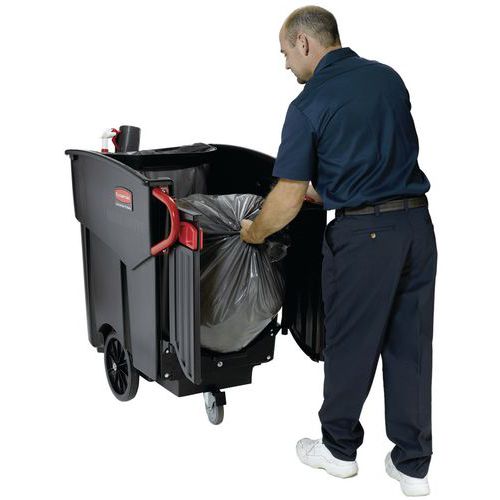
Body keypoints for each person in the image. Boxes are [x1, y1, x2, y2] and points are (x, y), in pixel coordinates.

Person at [240, 5, 437, 497]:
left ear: (304, 42)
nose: (286, 65)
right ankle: (413, 465)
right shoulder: (388, 78)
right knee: (410, 347)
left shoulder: (309, 103)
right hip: (416, 227)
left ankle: (338, 449)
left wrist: (254, 232)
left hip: (364, 238)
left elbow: (285, 199)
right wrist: (330, 191)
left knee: (350, 341)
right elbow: (377, 158)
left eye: (285, 53)